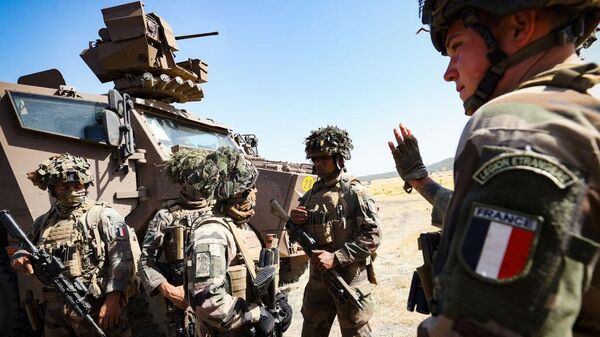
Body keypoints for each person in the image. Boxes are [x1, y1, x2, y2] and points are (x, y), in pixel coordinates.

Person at [388, 1, 600, 336]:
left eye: (457, 46)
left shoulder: (518, 124)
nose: (448, 72)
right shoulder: (584, 111)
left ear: (518, 27)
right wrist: (421, 181)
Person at [10, 153, 134, 337]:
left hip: (93, 302)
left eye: (78, 186)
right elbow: (22, 248)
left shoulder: (103, 215)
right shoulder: (43, 222)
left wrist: (113, 298)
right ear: (53, 189)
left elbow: (122, 259)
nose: (72, 191)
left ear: (86, 185)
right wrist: (19, 257)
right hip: (54, 307)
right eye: (65, 186)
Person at [185, 147, 292, 337]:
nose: (255, 191)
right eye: (250, 187)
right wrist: (256, 314)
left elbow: (255, 275)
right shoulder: (212, 233)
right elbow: (208, 303)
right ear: (237, 193)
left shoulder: (240, 225)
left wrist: (277, 298)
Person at [290, 125, 381, 337]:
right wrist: (295, 222)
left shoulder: (354, 192)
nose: (318, 163)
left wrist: (337, 257)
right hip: (318, 281)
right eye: (314, 158)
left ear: (340, 158)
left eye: (324, 157)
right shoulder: (313, 193)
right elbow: (297, 233)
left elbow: (373, 236)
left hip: (348, 281)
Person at [139, 148, 211, 337]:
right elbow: (146, 261)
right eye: (193, 178)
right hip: (181, 304)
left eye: (205, 177)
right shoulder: (166, 216)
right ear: (181, 181)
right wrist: (168, 290)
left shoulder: (218, 213)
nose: (200, 184)